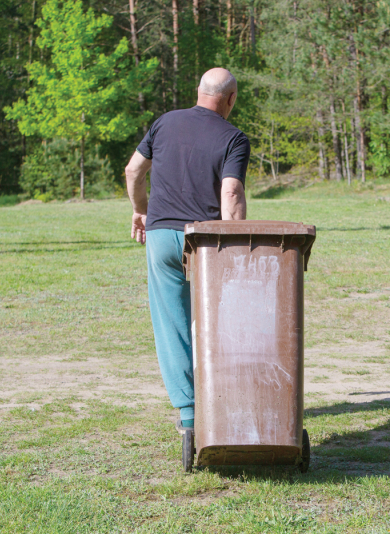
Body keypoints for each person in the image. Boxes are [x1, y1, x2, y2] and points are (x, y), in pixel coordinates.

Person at [124, 67, 250, 431]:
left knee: (173, 324)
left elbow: (134, 171)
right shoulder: (234, 137)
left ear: (198, 91)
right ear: (230, 99)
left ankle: (190, 414)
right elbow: (231, 193)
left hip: (161, 236)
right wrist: (237, 243)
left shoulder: (164, 123)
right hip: (207, 239)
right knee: (221, 319)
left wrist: (141, 211)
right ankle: (229, 399)